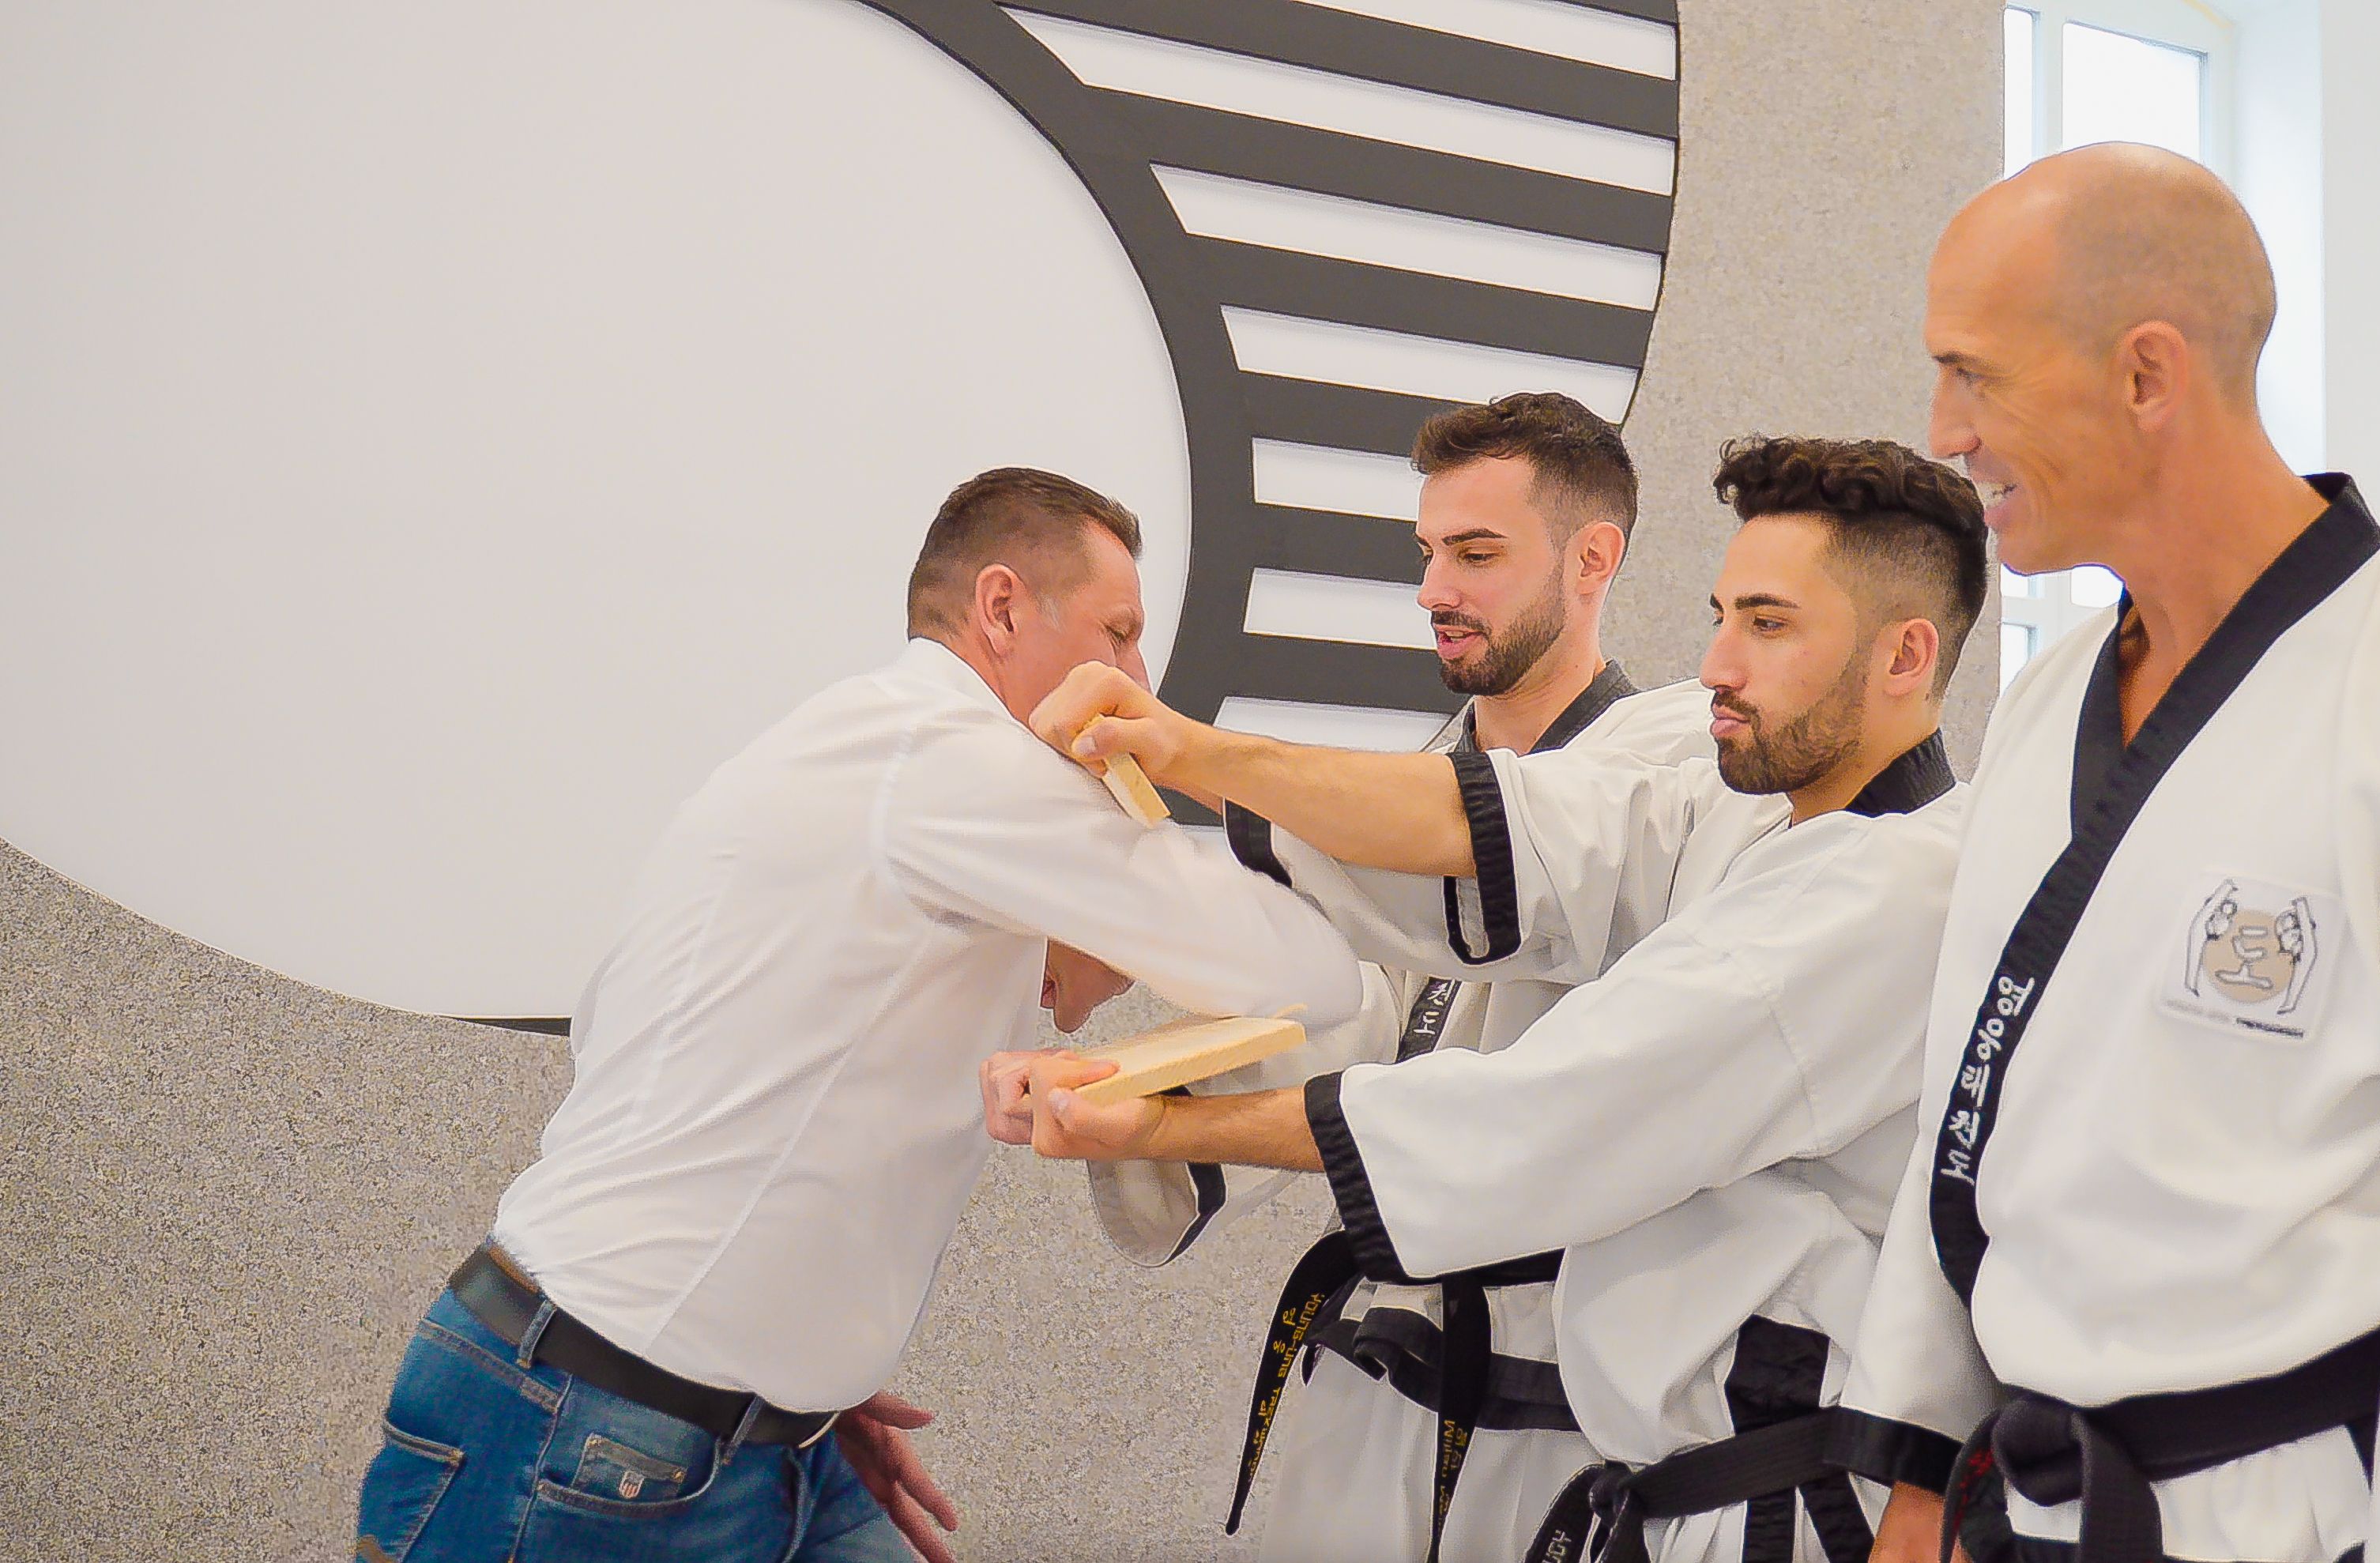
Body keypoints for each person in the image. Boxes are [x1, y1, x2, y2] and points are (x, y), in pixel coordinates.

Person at [1844, 144, 2380, 1563]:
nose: (1943, 428)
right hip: (2030, 1507)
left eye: (1973, 374)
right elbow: (1970, 1111)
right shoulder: (2050, 698)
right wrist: (1918, 1471)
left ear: (2146, 374)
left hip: (2285, 1520)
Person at [352, 468, 1364, 1563]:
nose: (1136, 681)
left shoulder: (859, 750)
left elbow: (650, 1050)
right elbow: (1313, 971)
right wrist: (1191, 768)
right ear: (1002, 607)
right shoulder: (953, 758)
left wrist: (795, 1364)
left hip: (743, 1432)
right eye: (1116, 634)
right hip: (589, 1430)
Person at [1007, 436, 1988, 1562]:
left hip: (1771, 1493)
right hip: (1628, 1457)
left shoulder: (1882, 896)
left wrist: (1159, 1124)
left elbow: (1548, 1111)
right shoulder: (1746, 811)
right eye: (1722, 616)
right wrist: (1189, 755)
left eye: (1767, 625)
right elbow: (1503, 834)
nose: (1717, 661)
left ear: (1905, 653)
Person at [986, 392, 1710, 1563]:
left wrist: (1184, 748)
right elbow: (1329, 1017)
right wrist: (1123, 1090)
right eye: (1428, 553)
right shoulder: (1382, 813)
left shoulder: (1675, 769)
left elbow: (1503, 866)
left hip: (1565, 1395)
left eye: (1477, 554)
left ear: (1593, 560)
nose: (1434, 589)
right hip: (1375, 1362)